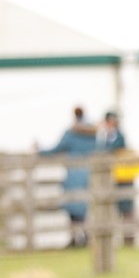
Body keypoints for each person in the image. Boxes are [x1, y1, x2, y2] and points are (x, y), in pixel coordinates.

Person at [39, 106, 100, 248]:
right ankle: (85, 236)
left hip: (74, 173)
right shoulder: (93, 133)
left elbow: (56, 149)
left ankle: (75, 237)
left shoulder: (71, 133)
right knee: (84, 206)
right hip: (88, 173)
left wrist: (40, 150)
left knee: (72, 207)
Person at [99, 110, 136, 245]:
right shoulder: (105, 137)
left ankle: (129, 239)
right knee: (116, 210)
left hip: (123, 178)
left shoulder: (118, 137)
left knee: (126, 209)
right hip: (113, 179)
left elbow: (112, 151)